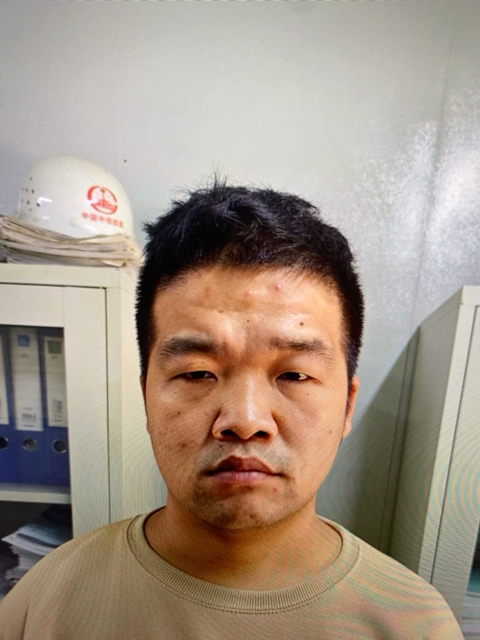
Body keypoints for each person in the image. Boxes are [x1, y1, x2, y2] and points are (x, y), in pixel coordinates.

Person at [0, 181, 463, 638]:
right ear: (146, 398)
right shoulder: (46, 600)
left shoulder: (414, 625)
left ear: (347, 406)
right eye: (197, 373)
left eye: (294, 375)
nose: (245, 420)